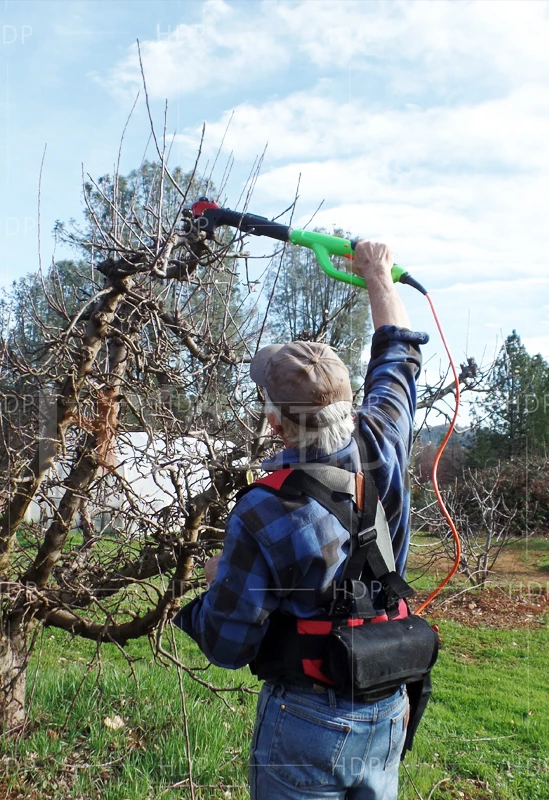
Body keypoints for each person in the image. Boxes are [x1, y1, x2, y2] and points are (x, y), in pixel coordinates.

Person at [174, 241, 429, 799]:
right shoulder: (384, 436)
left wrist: (205, 592)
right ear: (347, 401)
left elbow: (227, 644)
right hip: (391, 703)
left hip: (308, 721)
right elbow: (400, 354)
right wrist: (379, 277)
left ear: (275, 426)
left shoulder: (265, 508)